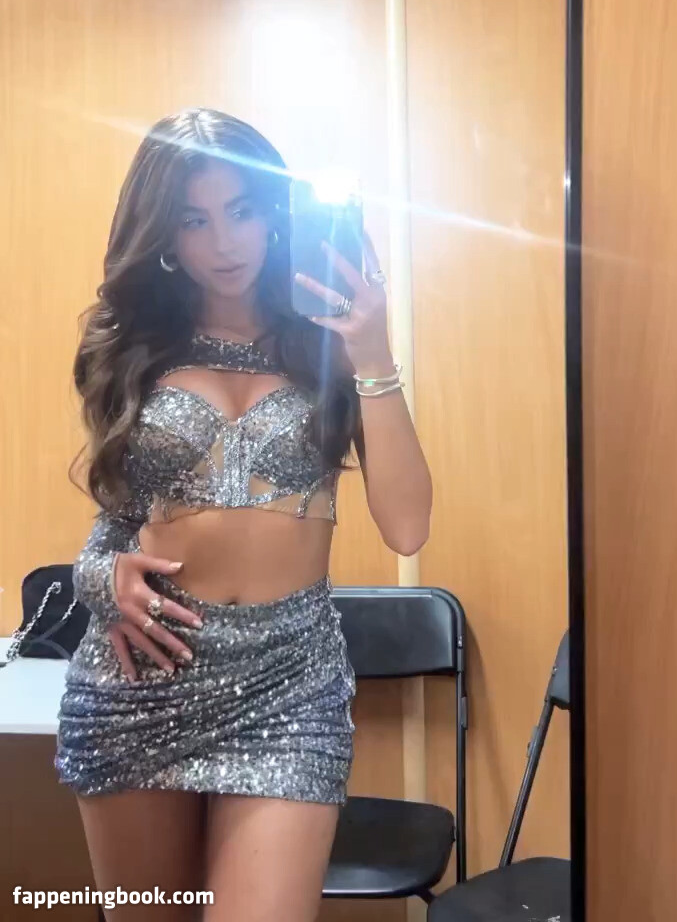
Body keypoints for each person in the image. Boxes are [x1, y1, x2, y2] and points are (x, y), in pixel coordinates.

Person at [54, 107, 433, 922]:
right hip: (144, 676)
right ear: (164, 232)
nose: (224, 242)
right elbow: (113, 528)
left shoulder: (327, 336)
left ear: (274, 212)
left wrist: (372, 352)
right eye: (194, 220)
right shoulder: (133, 346)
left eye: (242, 210)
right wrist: (100, 580)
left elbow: (407, 527)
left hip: (287, 684)